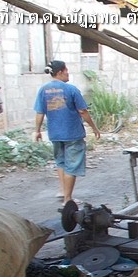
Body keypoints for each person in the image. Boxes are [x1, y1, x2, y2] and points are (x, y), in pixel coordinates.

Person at [34, 60, 100, 204]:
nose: (68, 74)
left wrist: (37, 131)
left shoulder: (43, 90)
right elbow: (82, 111)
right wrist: (94, 128)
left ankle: (63, 191)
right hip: (72, 134)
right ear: (60, 72)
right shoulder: (71, 89)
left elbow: (40, 112)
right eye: (66, 71)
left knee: (61, 162)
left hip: (55, 134)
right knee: (72, 165)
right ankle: (67, 199)